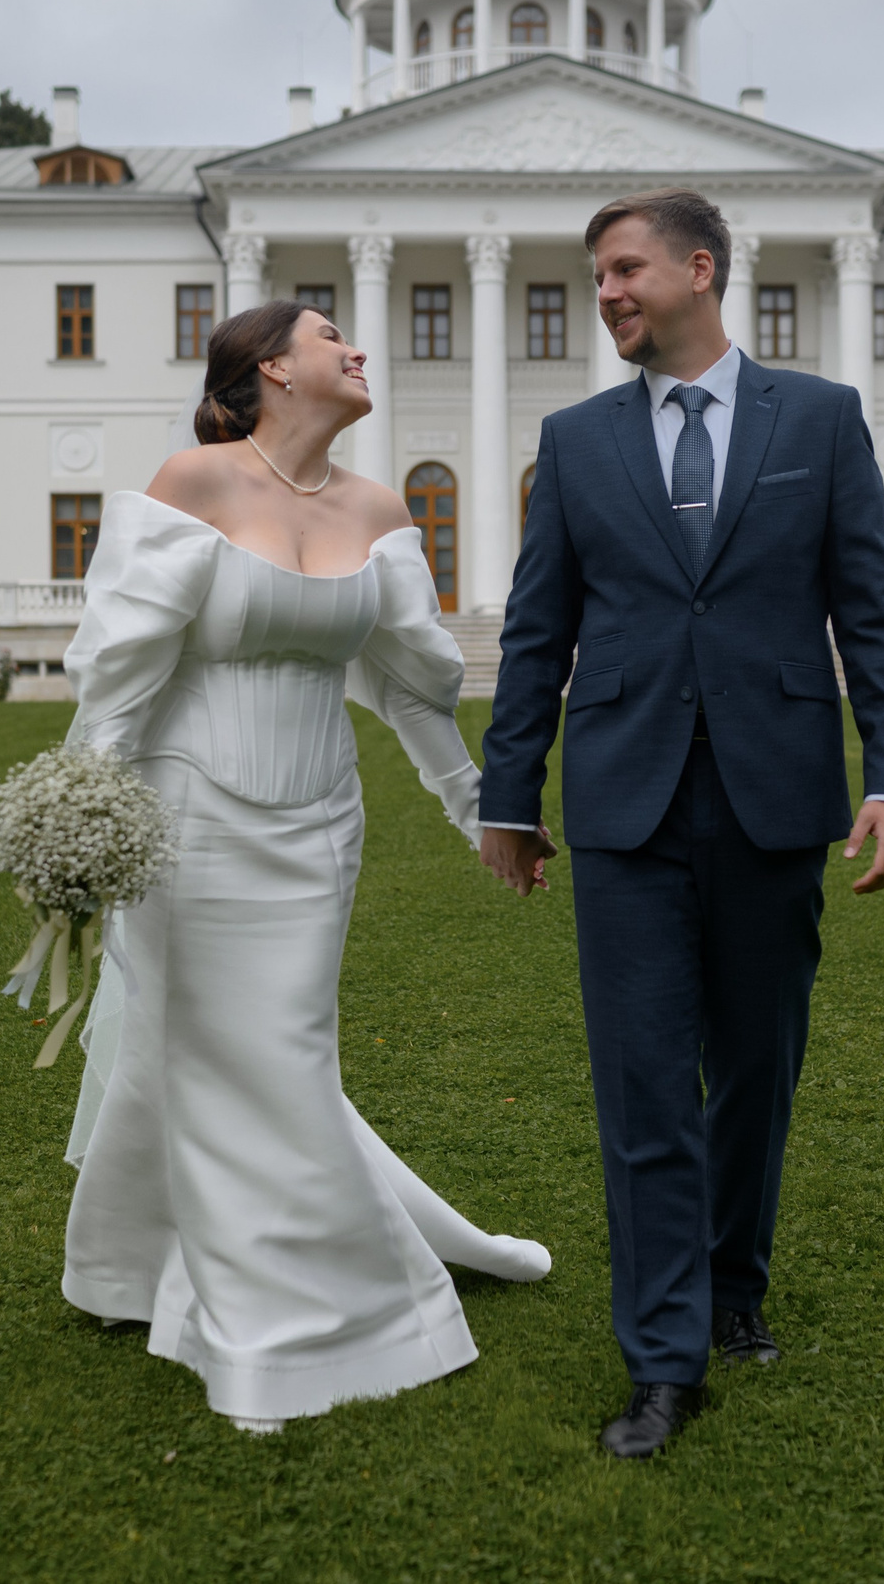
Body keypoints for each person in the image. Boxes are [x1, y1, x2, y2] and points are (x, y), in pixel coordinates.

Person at [478, 189, 884, 1459]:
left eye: (624, 270)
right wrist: (511, 791)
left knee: (754, 1070)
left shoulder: (823, 421)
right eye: (597, 276)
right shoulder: (572, 443)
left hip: (776, 794)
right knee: (641, 1086)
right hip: (623, 806)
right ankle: (664, 1360)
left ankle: (736, 1285)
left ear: (699, 268)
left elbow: (874, 617)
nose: (607, 292)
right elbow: (535, 633)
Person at [58, 299, 550, 1434]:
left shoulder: (379, 511)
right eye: (334, 336)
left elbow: (413, 683)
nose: (359, 349)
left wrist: (480, 809)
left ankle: (129, 1264)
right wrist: (80, 819)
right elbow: (121, 675)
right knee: (218, 1054)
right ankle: (260, 1337)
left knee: (277, 1048)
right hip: (186, 820)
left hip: (320, 823)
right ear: (273, 367)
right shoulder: (193, 482)